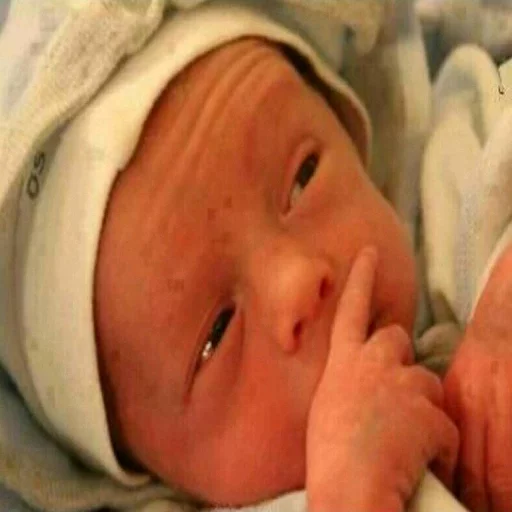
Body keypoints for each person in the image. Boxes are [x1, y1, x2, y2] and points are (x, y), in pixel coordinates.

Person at [1, 1, 512, 511]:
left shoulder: (450, 190)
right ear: (148, 475)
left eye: (302, 179)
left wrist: (500, 311)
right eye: (217, 333)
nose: (297, 280)